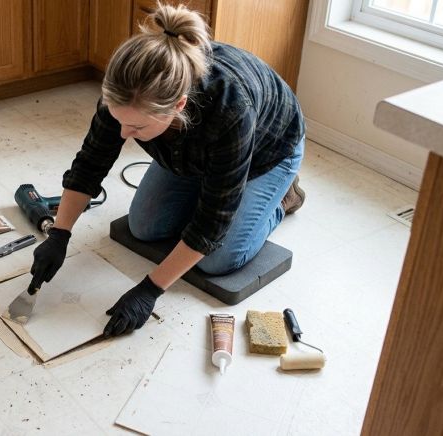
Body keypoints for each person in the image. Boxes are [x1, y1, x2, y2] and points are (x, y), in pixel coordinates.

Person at [28, 3, 306, 338]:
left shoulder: (230, 110)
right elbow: (90, 163)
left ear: (177, 107)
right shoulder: (123, 94)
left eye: (136, 128)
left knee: (217, 260)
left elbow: (212, 223)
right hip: (192, 152)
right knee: (144, 226)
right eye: (120, 121)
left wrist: (150, 289)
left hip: (269, 150)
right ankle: (211, 185)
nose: (122, 134)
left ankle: (282, 198)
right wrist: (60, 234)